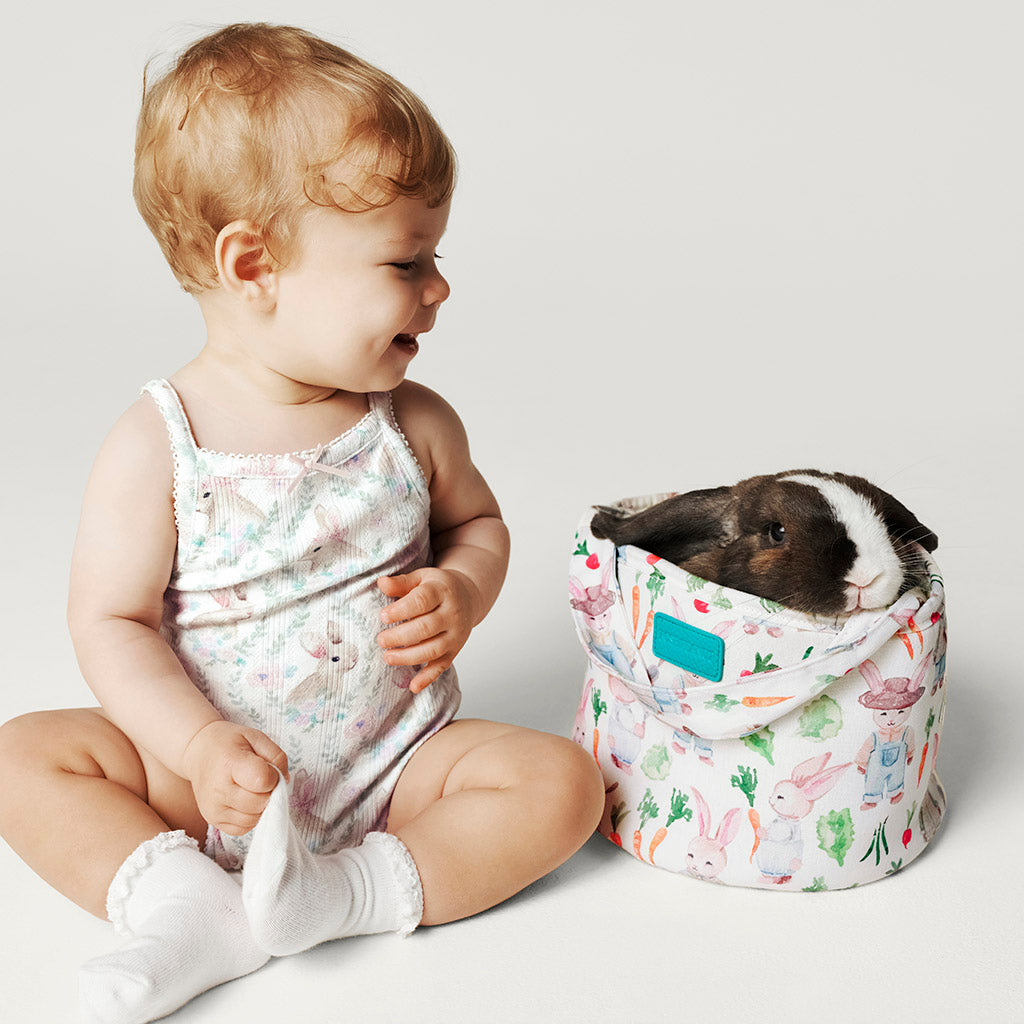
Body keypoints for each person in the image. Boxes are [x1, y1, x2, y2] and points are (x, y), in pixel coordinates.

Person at [0, 23, 604, 1024]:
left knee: (561, 783)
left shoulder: (412, 425)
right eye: (406, 261)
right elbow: (110, 622)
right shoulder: (160, 443)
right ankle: (186, 902)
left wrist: (462, 588)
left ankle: (344, 892)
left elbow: (480, 525)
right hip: (202, 781)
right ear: (254, 265)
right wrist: (198, 746)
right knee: (22, 758)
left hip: (396, 770)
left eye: (435, 254)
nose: (439, 287)